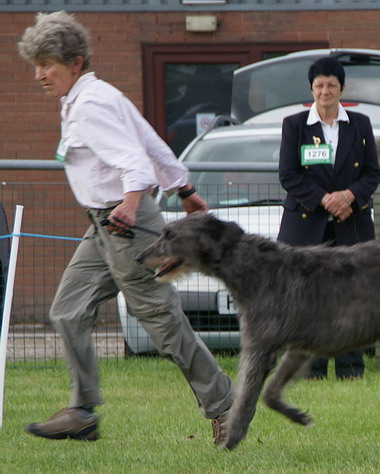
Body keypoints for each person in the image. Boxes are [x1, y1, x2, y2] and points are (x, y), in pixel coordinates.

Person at [17, 12, 234, 443]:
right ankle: (82, 412)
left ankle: (227, 405)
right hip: (104, 224)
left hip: (124, 223)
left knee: (162, 323)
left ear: (75, 62)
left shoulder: (91, 104)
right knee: (68, 309)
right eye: (36, 65)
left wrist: (132, 204)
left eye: (48, 64)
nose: (39, 74)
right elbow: (150, 140)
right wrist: (184, 188)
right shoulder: (89, 96)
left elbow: (134, 161)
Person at [277, 57, 380, 380]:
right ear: (311, 88)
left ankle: (351, 369)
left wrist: (348, 196)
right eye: (320, 85)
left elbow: (371, 172)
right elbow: (288, 175)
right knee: (309, 299)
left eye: (332, 85)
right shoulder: (295, 125)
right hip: (307, 225)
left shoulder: (360, 124)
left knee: (352, 298)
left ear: (342, 88)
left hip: (351, 222)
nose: (326, 91)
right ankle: (312, 368)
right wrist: (325, 199)